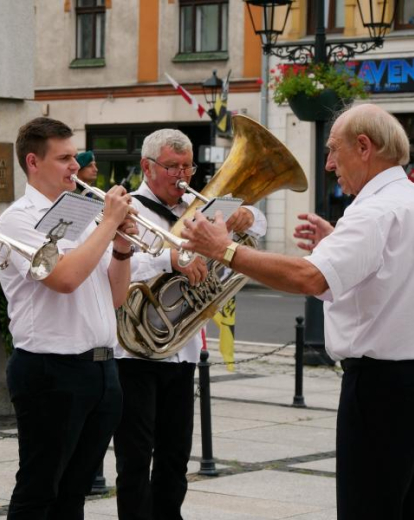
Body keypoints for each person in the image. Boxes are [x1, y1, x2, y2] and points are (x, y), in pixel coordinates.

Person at [181, 103, 414, 520]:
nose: (330, 163)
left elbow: (307, 278)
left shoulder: (374, 210)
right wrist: (338, 242)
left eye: (335, 150)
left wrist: (222, 249)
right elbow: (398, 279)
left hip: (383, 389)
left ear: (365, 147)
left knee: (368, 506)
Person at [113, 128, 266, 520]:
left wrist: (249, 216)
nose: (183, 176)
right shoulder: (128, 209)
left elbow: (255, 226)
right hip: (134, 353)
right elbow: (115, 267)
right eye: (172, 167)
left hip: (179, 352)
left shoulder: (195, 209)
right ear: (147, 167)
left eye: (187, 166)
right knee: (134, 457)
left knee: (175, 455)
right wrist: (171, 260)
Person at [0, 117, 137, 519]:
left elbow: (116, 296)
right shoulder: (16, 220)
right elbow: (65, 278)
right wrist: (108, 224)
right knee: (40, 490)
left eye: (75, 156)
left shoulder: (87, 216)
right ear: (34, 162)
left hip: (101, 371)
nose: (76, 165)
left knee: (74, 492)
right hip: (50, 371)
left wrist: (122, 246)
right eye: (65, 158)